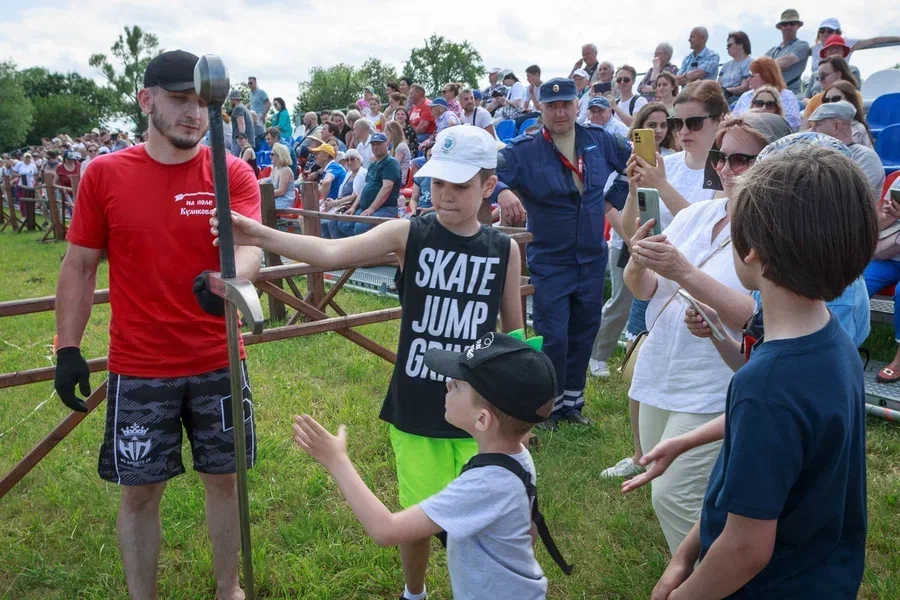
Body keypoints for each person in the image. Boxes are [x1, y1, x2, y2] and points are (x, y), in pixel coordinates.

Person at [210, 125, 523, 600]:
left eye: (460, 185)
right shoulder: (407, 233)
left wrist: (519, 412)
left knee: (487, 519)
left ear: (487, 184)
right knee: (418, 514)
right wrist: (257, 231)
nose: (445, 194)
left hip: (485, 411)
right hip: (420, 403)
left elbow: (515, 336)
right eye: (439, 182)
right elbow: (330, 252)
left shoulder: (504, 249)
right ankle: (413, 593)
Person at [55, 49, 262, 600]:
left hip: (219, 358)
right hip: (140, 366)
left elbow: (250, 251)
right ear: (147, 100)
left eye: (200, 101)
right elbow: (78, 264)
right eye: (178, 99)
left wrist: (228, 283)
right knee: (140, 492)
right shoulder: (104, 174)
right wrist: (67, 349)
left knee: (225, 481)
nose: (193, 113)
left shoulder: (231, 170)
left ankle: (228, 589)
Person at [650, 145, 873, 600]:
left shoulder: (766, 385)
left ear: (750, 250)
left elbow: (745, 549)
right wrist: (683, 554)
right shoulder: (836, 346)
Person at [290, 330, 554, 600]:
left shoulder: (484, 485)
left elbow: (386, 530)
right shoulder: (517, 458)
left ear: (482, 420)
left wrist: (337, 459)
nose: (448, 383)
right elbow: (529, 532)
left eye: (459, 384)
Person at [608, 81, 726, 480]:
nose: (685, 130)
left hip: (705, 287)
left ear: (719, 121)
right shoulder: (668, 164)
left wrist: (660, 184)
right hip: (657, 281)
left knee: (696, 379)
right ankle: (642, 454)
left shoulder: (727, 166)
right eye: (679, 121)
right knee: (645, 368)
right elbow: (631, 229)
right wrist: (635, 188)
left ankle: (688, 460)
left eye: (695, 121)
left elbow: (709, 225)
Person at [498, 77, 631, 428]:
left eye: (566, 105)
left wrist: (610, 200)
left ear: (577, 106)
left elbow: (635, 166)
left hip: (591, 256)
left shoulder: (598, 140)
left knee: (583, 330)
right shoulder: (524, 149)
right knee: (553, 334)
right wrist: (502, 191)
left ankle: (573, 404)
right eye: (552, 106)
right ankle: (546, 407)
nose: (560, 112)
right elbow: (489, 173)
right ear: (540, 108)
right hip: (551, 258)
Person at [590, 102, 681, 382]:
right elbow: (608, 204)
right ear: (640, 126)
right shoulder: (626, 158)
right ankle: (597, 355)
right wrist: (629, 239)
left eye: (664, 125)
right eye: (652, 125)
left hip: (660, 240)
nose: (659, 130)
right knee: (621, 301)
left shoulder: (673, 159)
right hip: (626, 241)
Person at [808, 101, 884, 194]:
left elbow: (851, 197)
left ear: (837, 126)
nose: (812, 130)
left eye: (818, 125)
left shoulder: (864, 157)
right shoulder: (818, 155)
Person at [334, 132, 400, 237]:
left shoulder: (391, 163)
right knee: (343, 224)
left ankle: (372, 248)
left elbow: (387, 188)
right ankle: (359, 247)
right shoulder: (372, 164)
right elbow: (365, 188)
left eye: (378, 144)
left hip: (385, 208)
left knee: (360, 228)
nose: (375, 147)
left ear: (386, 145)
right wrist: (354, 207)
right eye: (373, 144)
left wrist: (372, 209)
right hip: (365, 207)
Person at [731, 56, 801, 131]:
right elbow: (732, 122)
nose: (748, 79)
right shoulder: (745, 96)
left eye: (752, 76)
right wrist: (747, 117)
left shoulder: (786, 96)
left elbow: (794, 125)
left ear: (765, 77)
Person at [810, 17, 900, 73]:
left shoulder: (846, 43)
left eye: (829, 31)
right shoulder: (813, 49)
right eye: (822, 31)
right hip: (816, 84)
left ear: (838, 33)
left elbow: (874, 41)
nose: (825, 33)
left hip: (839, 82)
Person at [321, 149, 367, 239]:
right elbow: (342, 195)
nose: (349, 162)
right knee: (326, 221)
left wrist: (335, 203)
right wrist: (334, 201)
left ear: (358, 159)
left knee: (336, 223)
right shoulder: (348, 174)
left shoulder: (362, 173)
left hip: (355, 205)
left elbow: (354, 196)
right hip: (343, 205)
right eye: (347, 160)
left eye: (352, 159)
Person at [764, 9, 810, 96]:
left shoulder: (802, 45)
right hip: (770, 93)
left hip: (791, 94)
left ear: (798, 26)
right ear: (780, 27)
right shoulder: (773, 50)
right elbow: (757, 68)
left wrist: (766, 66)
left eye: (792, 23)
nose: (788, 27)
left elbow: (783, 64)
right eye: (785, 24)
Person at [802, 35, 862, 101]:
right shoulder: (815, 74)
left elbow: (855, 94)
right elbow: (805, 97)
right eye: (830, 49)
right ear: (825, 53)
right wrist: (814, 105)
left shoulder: (852, 70)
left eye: (838, 48)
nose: (834, 51)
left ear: (843, 52)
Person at [802, 56, 860, 123]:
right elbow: (803, 130)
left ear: (838, 74)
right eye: (819, 77)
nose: (820, 80)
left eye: (824, 75)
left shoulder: (853, 96)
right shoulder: (814, 100)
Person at [821, 80, 874, 147]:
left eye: (836, 99)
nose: (830, 104)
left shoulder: (858, 129)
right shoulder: (819, 128)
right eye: (826, 101)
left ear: (850, 101)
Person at [718, 31, 752, 102]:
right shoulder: (725, 65)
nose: (727, 48)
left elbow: (745, 87)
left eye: (729, 45)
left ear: (740, 45)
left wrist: (727, 91)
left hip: (739, 100)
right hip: (722, 99)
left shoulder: (750, 63)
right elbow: (718, 85)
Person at [269, 142, 297, 209]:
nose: (270, 156)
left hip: (285, 201)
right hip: (277, 199)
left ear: (279, 155)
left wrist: (265, 194)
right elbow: (269, 182)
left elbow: (281, 191)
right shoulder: (276, 168)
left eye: (272, 154)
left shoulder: (285, 170)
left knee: (264, 206)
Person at [228, 90, 255, 155]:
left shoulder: (238, 108)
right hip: (249, 141)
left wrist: (241, 139)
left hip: (240, 143)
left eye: (230, 100)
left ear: (233, 99)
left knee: (235, 163)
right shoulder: (244, 108)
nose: (230, 102)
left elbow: (241, 123)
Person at [386, 121, 411, 185]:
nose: (386, 136)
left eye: (387, 134)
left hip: (399, 181)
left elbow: (394, 166)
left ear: (393, 133)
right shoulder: (393, 146)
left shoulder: (401, 147)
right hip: (392, 178)